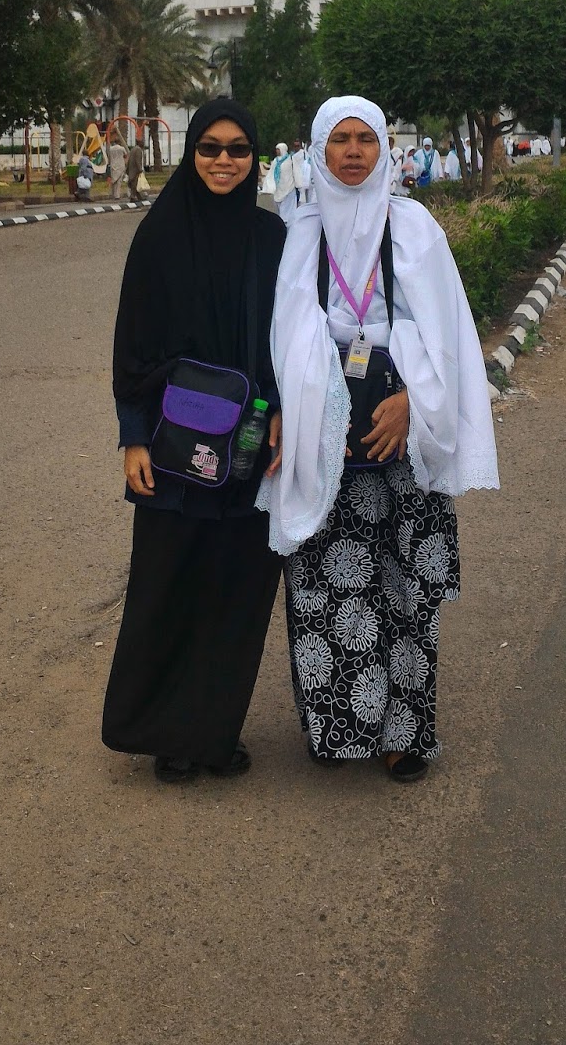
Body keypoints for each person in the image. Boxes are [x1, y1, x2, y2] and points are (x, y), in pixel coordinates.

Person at [257, 96, 499, 781]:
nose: (354, 151)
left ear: (385, 149)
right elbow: (277, 336)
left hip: (401, 427)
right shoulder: (298, 231)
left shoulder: (415, 228)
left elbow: (447, 332)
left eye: (366, 138)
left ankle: (405, 734)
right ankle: (340, 728)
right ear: (318, 150)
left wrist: (413, 401)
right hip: (321, 427)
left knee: (403, 585)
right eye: (340, 139)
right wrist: (301, 411)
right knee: (325, 585)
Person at [102, 100, 286, 784]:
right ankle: (162, 736)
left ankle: (212, 734)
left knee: (236, 590)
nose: (223, 161)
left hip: (248, 444)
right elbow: (132, 349)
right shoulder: (158, 237)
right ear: (191, 154)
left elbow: (291, 337)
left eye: (238, 149)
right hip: (173, 447)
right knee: (169, 585)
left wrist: (283, 412)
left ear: (254, 157)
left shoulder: (271, 237)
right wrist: (132, 440)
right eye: (209, 148)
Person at [272, 141, 297, 225]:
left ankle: (287, 224)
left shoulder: (290, 160)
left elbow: (296, 172)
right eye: (276, 149)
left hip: (289, 188)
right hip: (279, 188)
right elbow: (271, 174)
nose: (277, 151)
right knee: (279, 208)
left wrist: (300, 185)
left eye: (278, 149)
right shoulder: (275, 161)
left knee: (287, 208)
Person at [291, 139, 312, 207]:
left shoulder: (304, 154)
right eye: (295, 146)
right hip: (295, 177)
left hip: (304, 176)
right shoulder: (292, 156)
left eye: (298, 146)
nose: (296, 147)